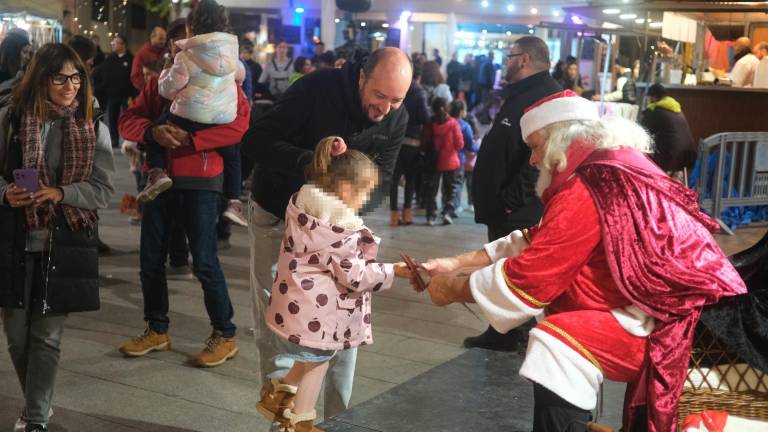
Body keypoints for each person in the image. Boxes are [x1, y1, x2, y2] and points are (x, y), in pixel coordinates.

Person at [403, 90, 746, 432]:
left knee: (558, 341)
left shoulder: (589, 184)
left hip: (677, 324)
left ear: (561, 139)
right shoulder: (609, 163)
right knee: (561, 332)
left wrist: (451, 289)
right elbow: (537, 238)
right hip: (678, 309)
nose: (533, 160)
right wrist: (453, 264)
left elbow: (530, 280)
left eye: (536, 147)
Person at [241, 47, 410, 419]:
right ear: (362, 76)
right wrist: (309, 162)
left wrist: (346, 222)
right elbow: (255, 140)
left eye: (396, 100)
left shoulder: (397, 119)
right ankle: (285, 419)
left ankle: (338, 420)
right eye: (379, 96)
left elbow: (382, 180)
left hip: (341, 235)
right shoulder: (316, 88)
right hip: (281, 221)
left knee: (342, 334)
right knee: (283, 327)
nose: (385, 108)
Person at [117, 17, 251, 368]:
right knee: (150, 262)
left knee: (205, 262)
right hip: (158, 183)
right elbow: (128, 119)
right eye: (176, 45)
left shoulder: (222, 82)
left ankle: (225, 333)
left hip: (202, 181)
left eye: (188, 42)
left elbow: (240, 124)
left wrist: (195, 139)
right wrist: (151, 134)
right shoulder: (157, 85)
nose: (182, 50)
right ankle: (156, 328)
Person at [0, 43, 116, 432]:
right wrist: (5, 192)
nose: (71, 85)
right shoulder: (11, 119)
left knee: (47, 339)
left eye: (77, 77)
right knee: (18, 339)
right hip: (15, 240)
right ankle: (39, 405)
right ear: (41, 78)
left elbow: (102, 188)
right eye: (60, 77)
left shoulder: (91, 124)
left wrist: (62, 193)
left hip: (64, 243)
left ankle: (35, 419)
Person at [256, 136, 402, 431]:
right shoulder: (340, 231)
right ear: (346, 189)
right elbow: (356, 275)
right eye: (365, 194)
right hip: (318, 314)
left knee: (308, 357)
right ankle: (301, 421)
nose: (365, 201)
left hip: (297, 305)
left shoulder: (302, 205)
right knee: (318, 362)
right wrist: (393, 271)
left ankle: (278, 398)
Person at [468, 36, 561, 352]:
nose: (503, 61)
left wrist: (510, 201)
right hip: (502, 203)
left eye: (508, 56)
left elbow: (539, 158)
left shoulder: (546, 95)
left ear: (524, 59)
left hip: (516, 206)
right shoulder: (523, 93)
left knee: (512, 268)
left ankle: (511, 332)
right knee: (501, 268)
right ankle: (506, 329)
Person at [137, 0, 248, 227]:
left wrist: (166, 73)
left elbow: (167, 90)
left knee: (156, 129)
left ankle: (157, 172)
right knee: (233, 154)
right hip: (221, 119)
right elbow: (240, 76)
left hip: (187, 118)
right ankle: (234, 201)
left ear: (192, 28)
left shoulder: (186, 57)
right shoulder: (232, 58)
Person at [390, 65, 430, 226]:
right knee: (411, 178)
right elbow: (425, 118)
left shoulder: (396, 89)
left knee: (394, 179)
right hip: (412, 142)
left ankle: (393, 215)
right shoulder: (419, 93)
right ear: (417, 76)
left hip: (396, 141)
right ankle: (407, 213)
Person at [91, 34, 137, 148]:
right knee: (112, 119)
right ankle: (114, 140)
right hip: (112, 95)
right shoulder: (110, 59)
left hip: (127, 96)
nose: (113, 45)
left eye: (115, 43)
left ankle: (129, 140)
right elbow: (102, 73)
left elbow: (134, 76)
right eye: (113, 43)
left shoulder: (131, 59)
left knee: (128, 118)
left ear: (123, 45)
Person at [640, 83, 697, 174]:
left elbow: (642, 131)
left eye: (649, 97)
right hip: (688, 158)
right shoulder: (676, 109)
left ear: (653, 97)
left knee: (641, 157)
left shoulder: (654, 110)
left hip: (670, 159)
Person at [423, 97, 463, 226]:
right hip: (450, 162)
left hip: (433, 162)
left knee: (432, 189)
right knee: (450, 189)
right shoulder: (453, 123)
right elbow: (459, 144)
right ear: (447, 108)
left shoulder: (429, 123)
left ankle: (431, 215)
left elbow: (424, 142)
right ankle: (447, 213)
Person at [450, 99, 479, 213]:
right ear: (462, 111)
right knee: (457, 183)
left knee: (447, 184)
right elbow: (470, 145)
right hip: (458, 159)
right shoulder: (464, 126)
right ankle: (454, 206)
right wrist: (478, 148)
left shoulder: (446, 122)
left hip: (443, 159)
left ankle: (446, 205)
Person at [130, 25, 168, 91]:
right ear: (152, 37)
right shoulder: (141, 54)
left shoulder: (167, 53)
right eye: (160, 39)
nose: (163, 42)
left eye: (165, 39)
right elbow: (135, 76)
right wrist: (148, 90)